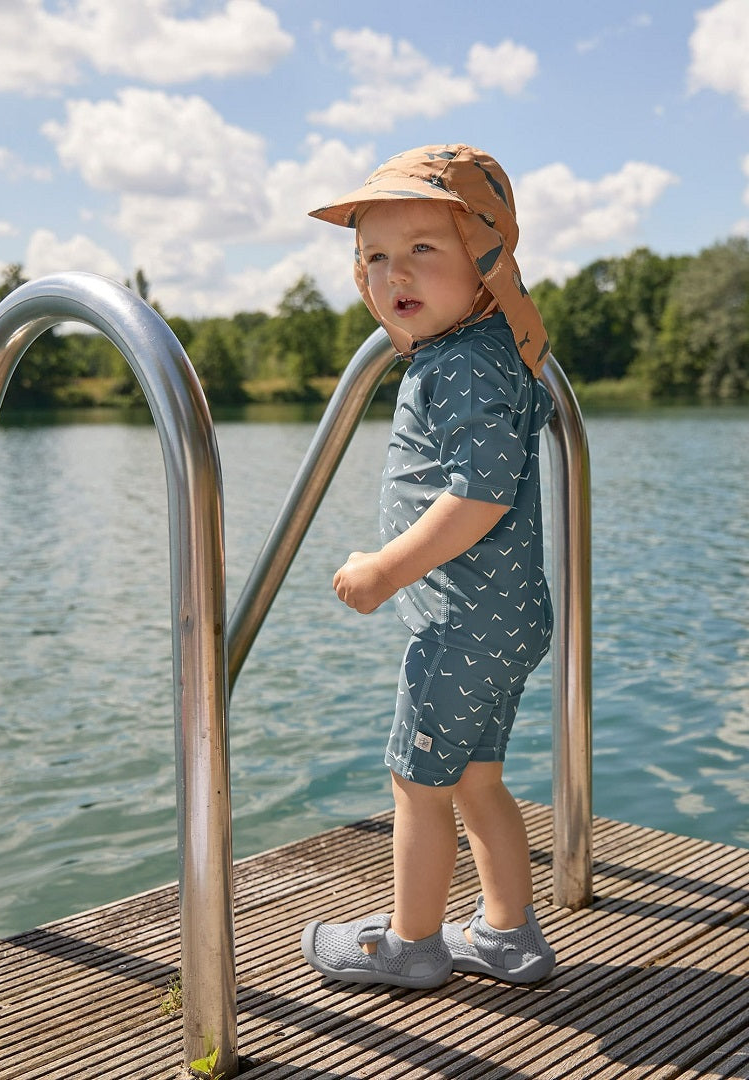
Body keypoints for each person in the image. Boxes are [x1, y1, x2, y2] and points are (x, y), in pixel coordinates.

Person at [300, 144, 558, 989]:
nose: (395, 272)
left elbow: (479, 497)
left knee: (416, 784)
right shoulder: (482, 350)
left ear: (485, 258)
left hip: (459, 628)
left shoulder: (465, 366)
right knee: (478, 780)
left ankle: (411, 944)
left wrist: (384, 571)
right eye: (375, 256)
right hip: (504, 620)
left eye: (423, 247)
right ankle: (508, 934)